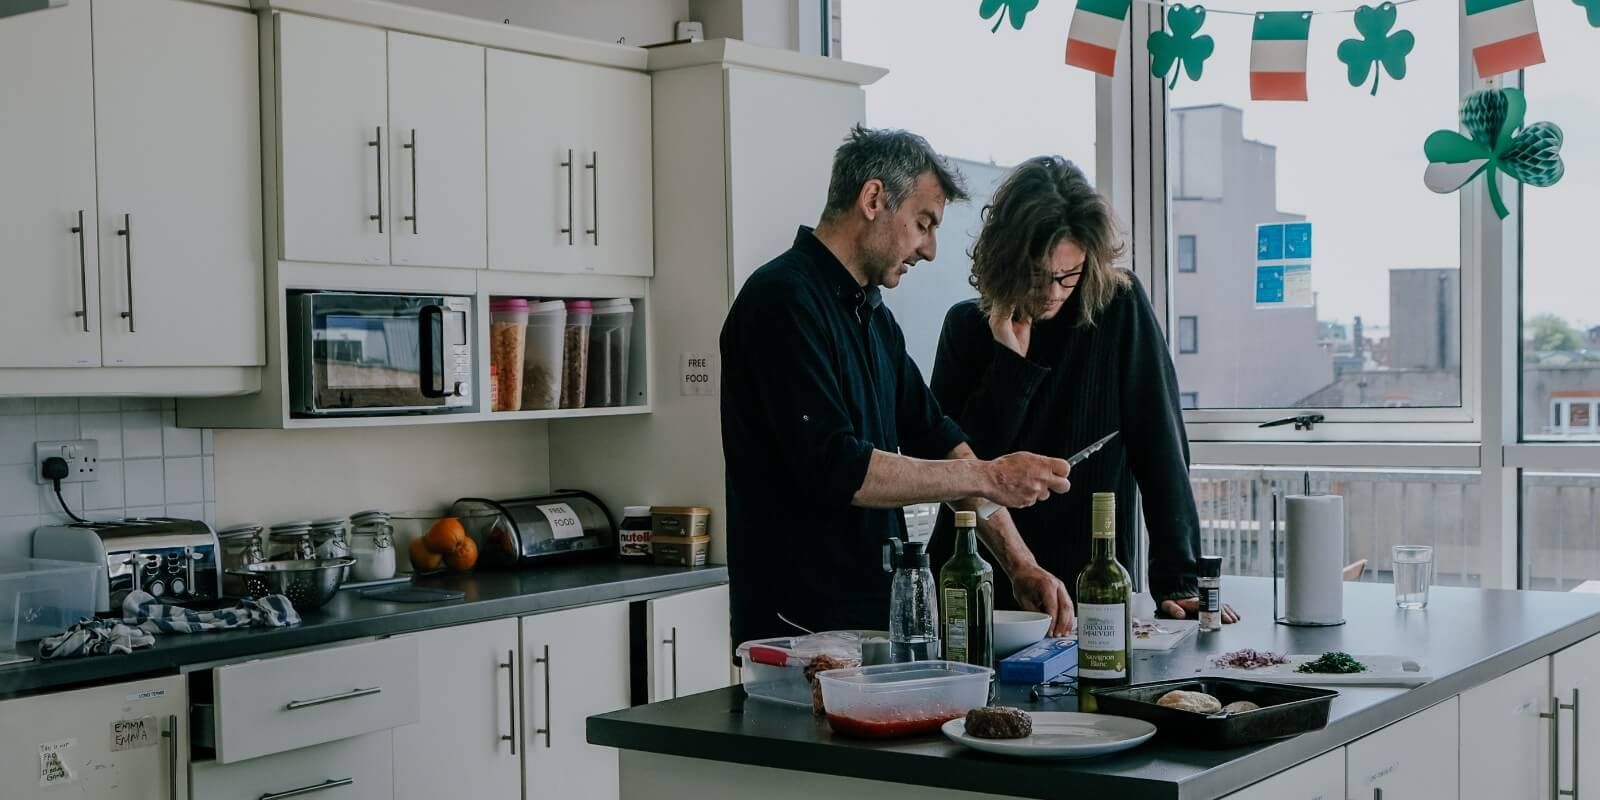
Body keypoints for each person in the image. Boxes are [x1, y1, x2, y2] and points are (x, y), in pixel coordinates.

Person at [720, 127, 1078, 648]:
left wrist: (1021, 565)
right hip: (797, 630)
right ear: (873, 199)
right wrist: (990, 474)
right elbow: (840, 468)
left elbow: (938, 437)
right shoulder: (781, 301)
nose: (929, 250)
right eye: (923, 223)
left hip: (865, 620)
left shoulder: (873, 318)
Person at [928, 156, 1238, 624]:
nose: (1053, 292)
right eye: (1038, 276)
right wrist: (1010, 368)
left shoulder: (1119, 307)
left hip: (1093, 580)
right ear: (1007, 259)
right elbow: (959, 472)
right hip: (975, 584)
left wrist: (1181, 578)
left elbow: (1160, 446)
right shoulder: (965, 328)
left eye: (1068, 276)